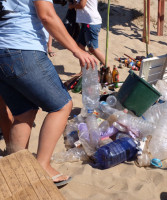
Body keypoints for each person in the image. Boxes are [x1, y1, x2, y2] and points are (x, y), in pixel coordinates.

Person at [0, 0, 97, 186]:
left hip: (3, 50)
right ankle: (42, 165)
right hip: (24, 49)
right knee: (62, 106)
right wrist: (77, 50)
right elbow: (47, 15)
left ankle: (18, 169)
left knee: (23, 113)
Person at [69, 0, 108, 76]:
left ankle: (108, 69)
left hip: (91, 23)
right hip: (86, 22)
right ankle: (83, 71)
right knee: (80, 47)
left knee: (93, 49)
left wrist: (72, 6)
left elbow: (81, 5)